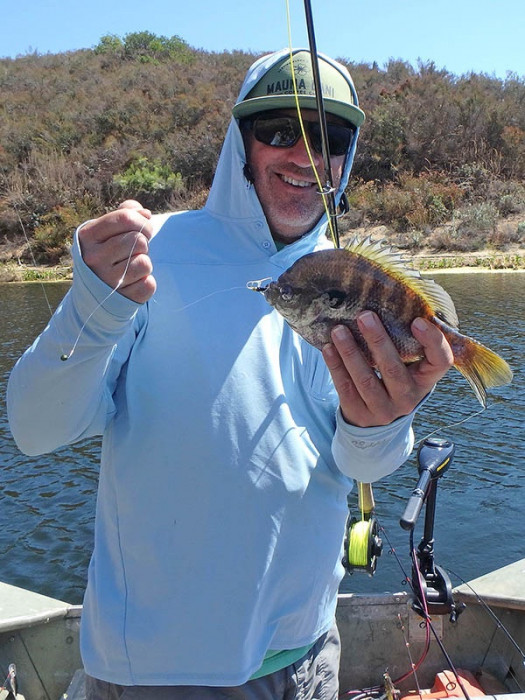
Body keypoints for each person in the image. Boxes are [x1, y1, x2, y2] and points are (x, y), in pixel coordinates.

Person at [7, 48, 453, 699]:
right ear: (237, 140)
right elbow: (34, 431)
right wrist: (90, 309)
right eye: (278, 130)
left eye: (329, 137)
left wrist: (381, 422)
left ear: (349, 154)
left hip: (307, 657)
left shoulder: (348, 278)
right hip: (156, 673)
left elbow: (361, 466)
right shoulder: (149, 254)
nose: (304, 155)